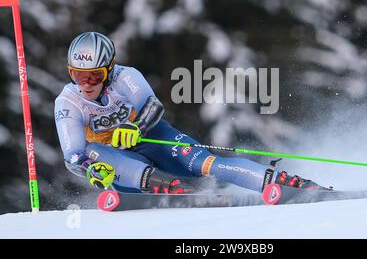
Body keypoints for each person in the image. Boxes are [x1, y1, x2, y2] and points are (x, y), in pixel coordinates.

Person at [54, 31, 323, 194]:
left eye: (94, 76)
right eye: (77, 75)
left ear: (109, 69)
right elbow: (73, 154)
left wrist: (135, 128)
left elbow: (153, 106)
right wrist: (89, 168)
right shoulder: (68, 102)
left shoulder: (126, 77)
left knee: (202, 163)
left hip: (149, 137)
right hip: (116, 161)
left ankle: (283, 181)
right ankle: (164, 187)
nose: (86, 84)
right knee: (92, 152)